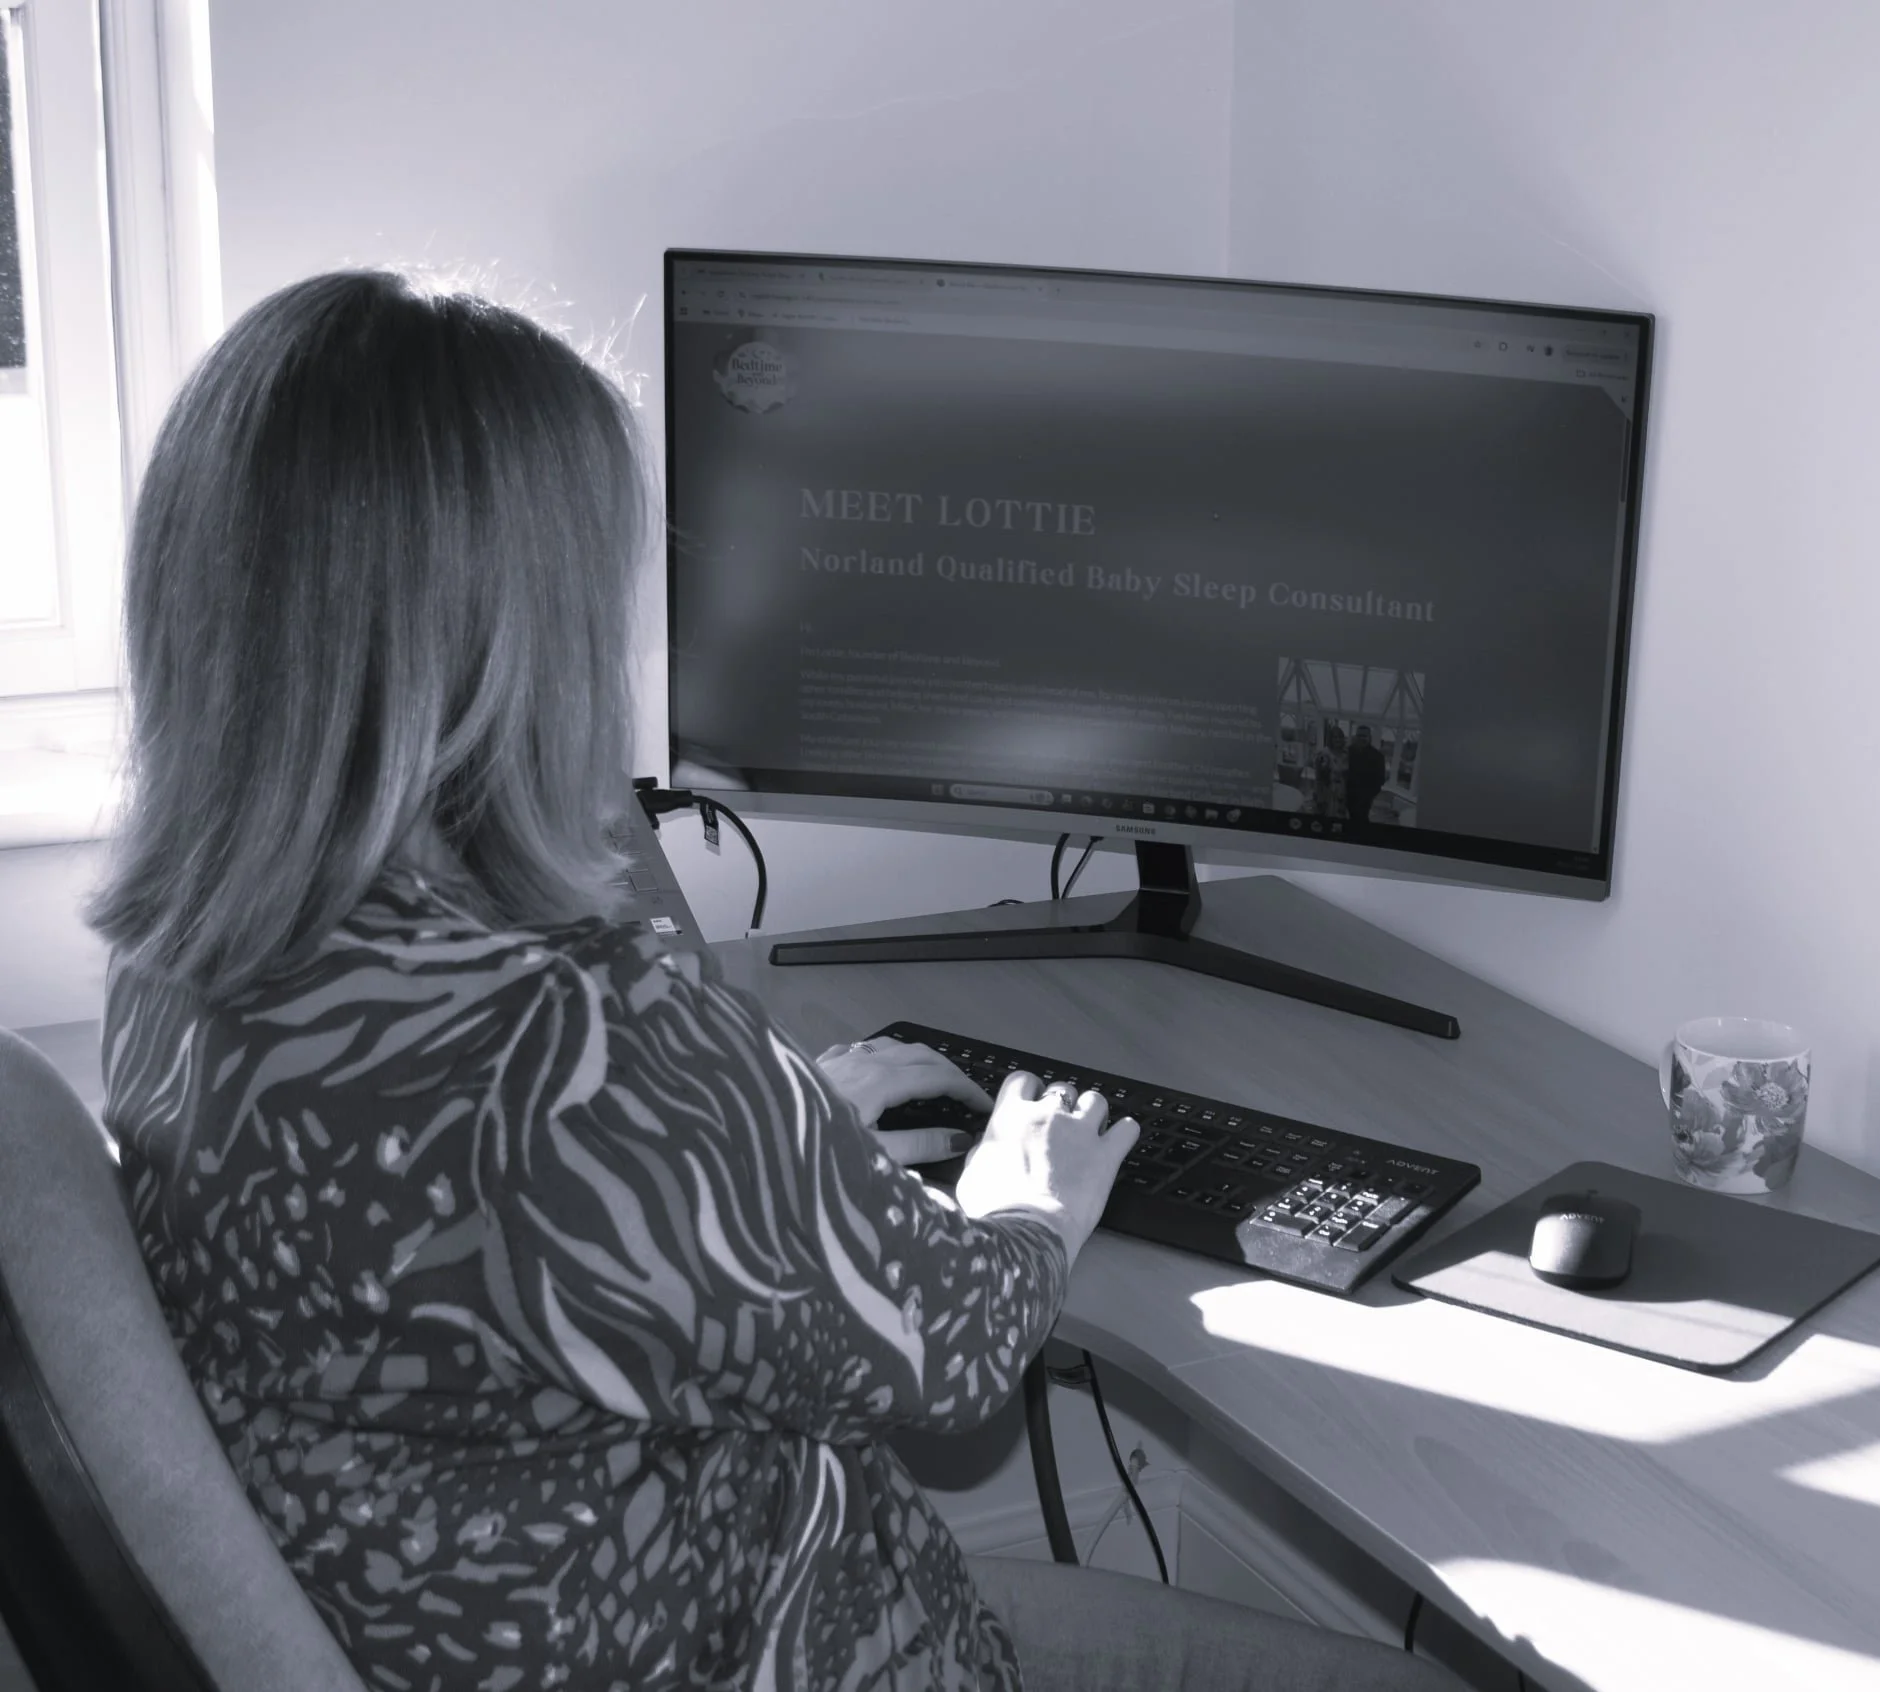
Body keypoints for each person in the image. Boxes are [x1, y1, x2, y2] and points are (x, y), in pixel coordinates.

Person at [87, 270, 1461, 1692]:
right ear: (510, 644)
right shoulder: (582, 1050)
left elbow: (523, 1220)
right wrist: (1031, 1195)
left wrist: (771, 1126)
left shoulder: (184, 960)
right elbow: (960, 1359)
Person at [1345, 726, 1389, 828]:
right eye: (1359, 735)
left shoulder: (1378, 756)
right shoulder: (1347, 752)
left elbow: (1380, 779)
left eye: (1364, 736)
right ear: (1355, 737)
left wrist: (1369, 795)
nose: (1361, 738)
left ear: (1370, 737)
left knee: (1361, 821)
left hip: (1364, 798)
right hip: (1347, 795)